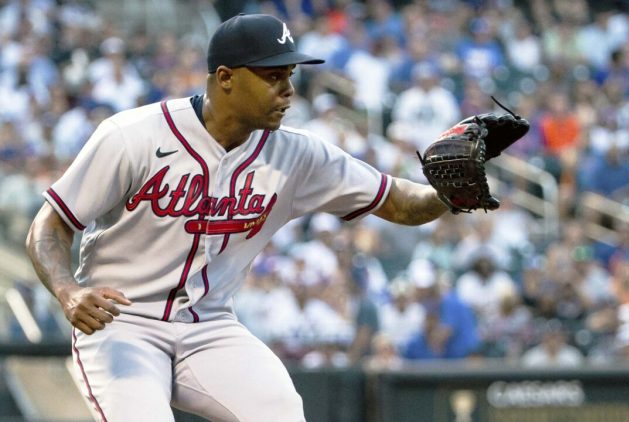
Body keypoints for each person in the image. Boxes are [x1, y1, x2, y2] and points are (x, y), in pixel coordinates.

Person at [25, 14, 453, 421]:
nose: (287, 89)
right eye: (272, 76)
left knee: (281, 410)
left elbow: (398, 201)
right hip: (122, 323)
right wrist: (66, 290)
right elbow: (51, 224)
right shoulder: (133, 135)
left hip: (209, 326)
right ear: (226, 78)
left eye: (289, 75)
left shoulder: (297, 154)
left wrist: (450, 193)